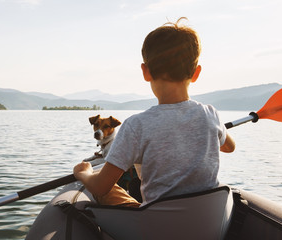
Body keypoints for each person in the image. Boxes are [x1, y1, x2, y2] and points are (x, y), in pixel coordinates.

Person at [73, 17, 235, 207]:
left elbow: (101, 187)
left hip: (155, 227)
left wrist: (84, 173)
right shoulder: (211, 114)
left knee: (103, 190)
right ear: (196, 73)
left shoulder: (136, 126)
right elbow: (229, 147)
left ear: (145, 71)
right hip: (209, 223)